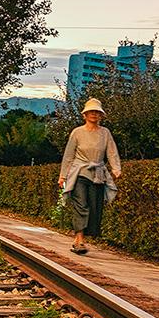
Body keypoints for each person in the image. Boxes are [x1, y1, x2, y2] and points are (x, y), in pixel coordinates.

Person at [58, 97, 122, 255]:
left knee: (94, 207)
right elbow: (68, 155)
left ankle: (80, 238)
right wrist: (63, 176)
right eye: (90, 112)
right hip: (79, 173)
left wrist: (116, 168)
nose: (94, 114)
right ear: (85, 115)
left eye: (97, 112)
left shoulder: (105, 133)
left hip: (98, 174)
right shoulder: (77, 132)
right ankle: (79, 240)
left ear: (101, 115)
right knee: (81, 205)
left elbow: (112, 152)